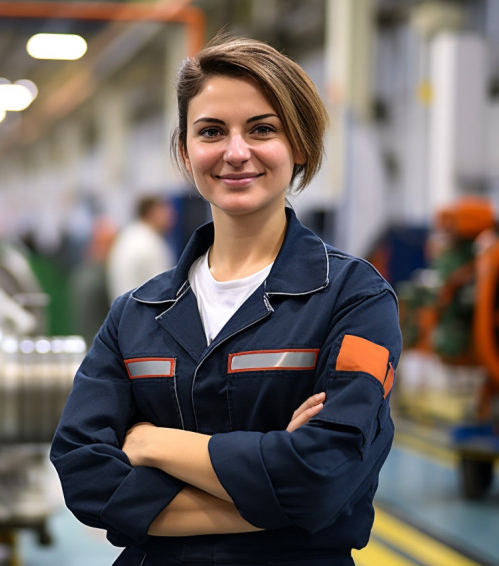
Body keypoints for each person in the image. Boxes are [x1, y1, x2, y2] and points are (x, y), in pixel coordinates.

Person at [50, 33, 400, 566]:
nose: (236, 152)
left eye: (262, 129)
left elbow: (321, 475)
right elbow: (84, 475)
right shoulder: (135, 314)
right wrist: (277, 495)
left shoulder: (354, 299)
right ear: (186, 153)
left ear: (299, 145)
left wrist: (152, 445)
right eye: (211, 131)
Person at [106, 195, 176, 300]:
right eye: (165, 211)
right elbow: (164, 291)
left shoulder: (129, 235)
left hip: (124, 311)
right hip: (143, 311)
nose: (172, 216)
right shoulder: (150, 243)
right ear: (152, 213)